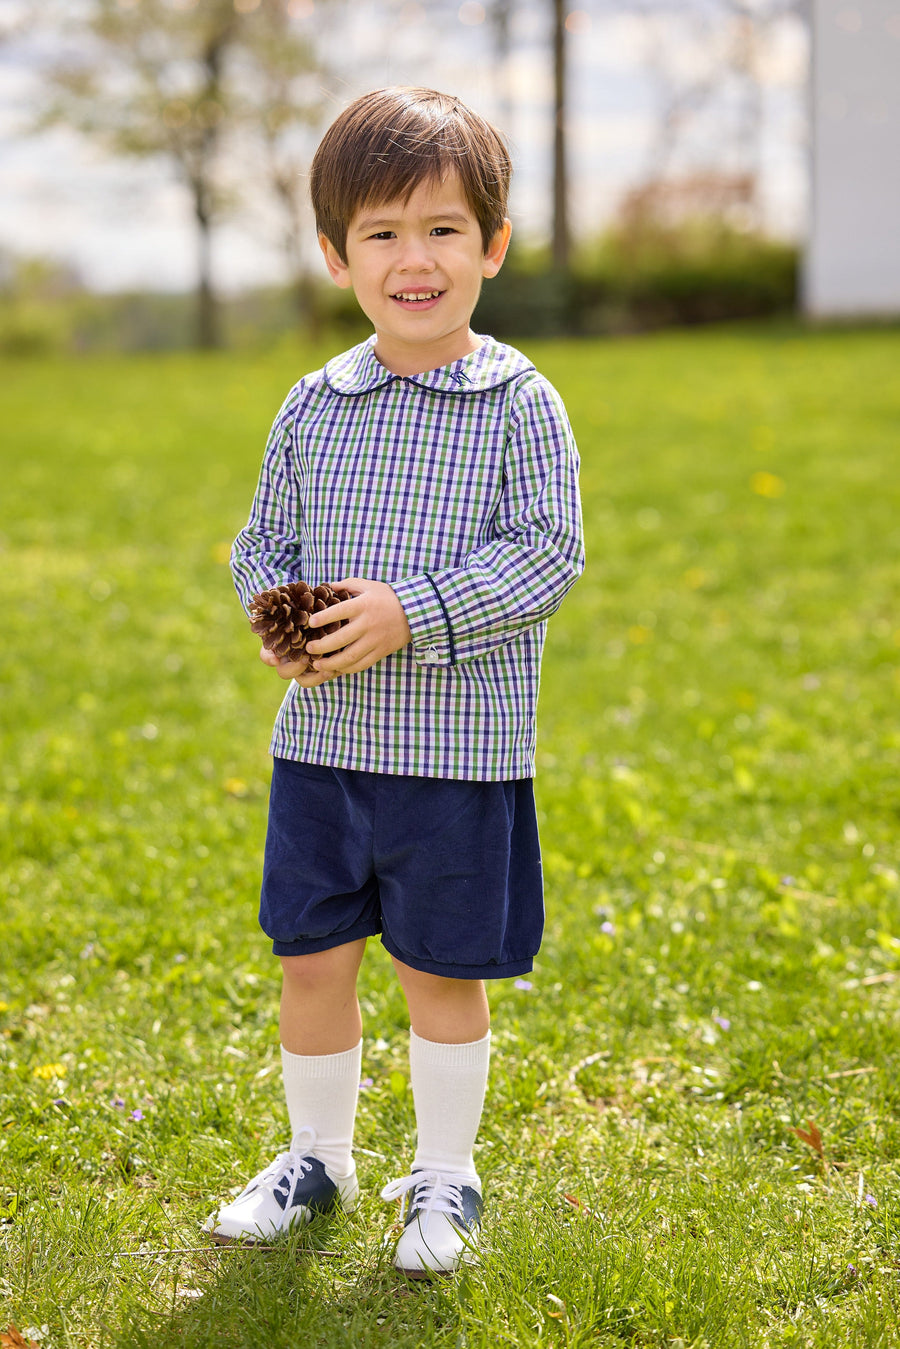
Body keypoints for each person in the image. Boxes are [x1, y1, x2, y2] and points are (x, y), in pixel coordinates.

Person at [204, 86, 584, 1277]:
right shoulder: (315, 405)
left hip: (457, 757)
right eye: (381, 233)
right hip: (321, 748)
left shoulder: (519, 401)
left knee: (440, 969)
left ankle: (445, 1174)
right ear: (336, 254)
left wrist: (410, 612)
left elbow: (546, 553)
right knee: (310, 957)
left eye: (443, 230)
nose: (413, 259)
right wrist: (280, 617)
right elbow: (261, 543)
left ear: (494, 246)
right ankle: (318, 1153)